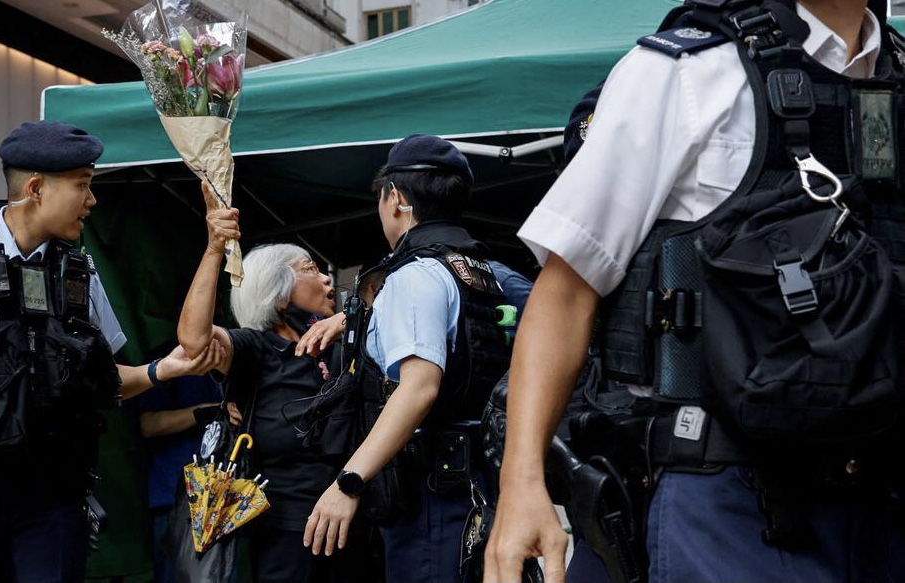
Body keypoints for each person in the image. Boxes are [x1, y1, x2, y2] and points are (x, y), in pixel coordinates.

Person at [486, 1, 905, 582]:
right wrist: (521, 483)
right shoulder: (688, 71)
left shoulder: (894, 80)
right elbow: (565, 291)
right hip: (732, 499)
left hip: (882, 497)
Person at [0, 121, 220, 583]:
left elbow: (104, 379)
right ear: (36, 188)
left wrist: (159, 371)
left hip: (51, 500)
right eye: (83, 186)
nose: (92, 201)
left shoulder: (79, 271)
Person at [302, 134, 512, 583]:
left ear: (396, 198)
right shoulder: (481, 272)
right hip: (478, 481)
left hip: (430, 496)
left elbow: (419, 387)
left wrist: (349, 481)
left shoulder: (413, 277)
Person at [177, 184, 370, 583]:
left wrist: (348, 320)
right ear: (280, 296)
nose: (328, 281)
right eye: (311, 270)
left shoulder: (346, 341)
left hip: (356, 515)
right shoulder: (256, 346)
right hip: (287, 523)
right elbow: (195, 340)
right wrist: (215, 249)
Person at [136, 363, 239, 583]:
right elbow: (148, 424)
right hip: (176, 498)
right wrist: (207, 411)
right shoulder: (166, 361)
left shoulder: (233, 358)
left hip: (222, 497)